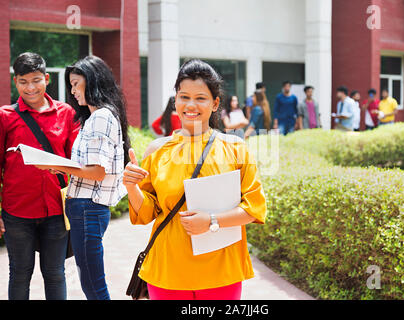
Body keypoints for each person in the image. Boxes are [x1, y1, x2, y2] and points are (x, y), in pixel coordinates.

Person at [123, 59, 266, 300]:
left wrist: (211, 220)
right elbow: (147, 213)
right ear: (175, 100)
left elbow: (254, 209)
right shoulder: (156, 150)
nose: (190, 105)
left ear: (215, 103)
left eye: (200, 98)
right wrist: (131, 187)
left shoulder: (235, 148)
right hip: (167, 267)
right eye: (183, 96)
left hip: (221, 268)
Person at [33, 56, 131, 300]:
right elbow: (92, 167)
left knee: (93, 285)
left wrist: (61, 166)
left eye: (76, 84)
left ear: (93, 82)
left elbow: (98, 172)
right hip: (87, 208)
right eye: (71, 86)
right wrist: (64, 167)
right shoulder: (97, 116)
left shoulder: (100, 117)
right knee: (91, 282)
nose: (73, 91)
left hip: (88, 208)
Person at [0, 52, 79, 300]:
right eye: (23, 81)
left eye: (36, 80)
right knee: (20, 274)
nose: (30, 87)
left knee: (55, 274)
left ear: (46, 79)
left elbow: (77, 163)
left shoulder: (66, 113)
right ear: (16, 82)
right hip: (16, 212)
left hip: (56, 211)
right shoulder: (5, 117)